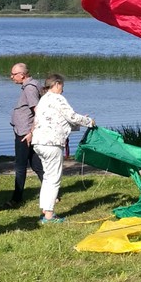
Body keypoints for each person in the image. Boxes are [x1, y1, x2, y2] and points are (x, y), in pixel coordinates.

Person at [31, 73, 94, 224]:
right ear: (57, 84)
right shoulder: (57, 98)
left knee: (47, 177)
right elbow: (71, 116)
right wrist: (89, 122)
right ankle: (49, 216)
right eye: (62, 87)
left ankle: (45, 210)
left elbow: (58, 121)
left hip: (39, 142)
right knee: (54, 179)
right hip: (52, 143)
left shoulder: (43, 100)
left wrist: (78, 123)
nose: (62, 90)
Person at [8, 62, 45, 207]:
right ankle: (53, 194)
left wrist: (31, 132)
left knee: (20, 166)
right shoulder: (33, 85)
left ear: (22, 75)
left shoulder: (30, 88)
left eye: (14, 74)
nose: (11, 77)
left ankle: (16, 198)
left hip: (25, 133)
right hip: (24, 131)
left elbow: (38, 112)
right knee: (37, 165)